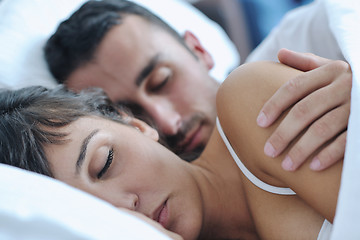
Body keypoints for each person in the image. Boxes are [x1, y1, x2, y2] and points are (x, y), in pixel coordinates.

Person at [0, 60, 345, 239]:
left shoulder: (250, 103)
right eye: (95, 212)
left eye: (104, 163)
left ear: (134, 124)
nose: (125, 207)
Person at [44, 0, 351, 170]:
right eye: (130, 112)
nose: (168, 123)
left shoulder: (314, 39)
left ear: (199, 50)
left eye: (161, 81)